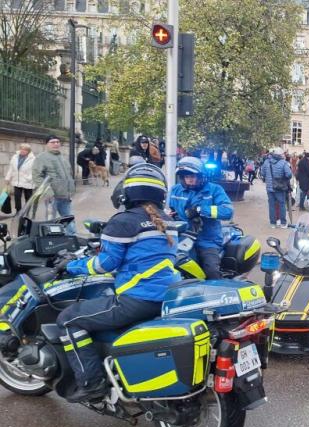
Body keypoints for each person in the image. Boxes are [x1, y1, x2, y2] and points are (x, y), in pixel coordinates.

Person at [56, 164, 180, 402]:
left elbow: (105, 264)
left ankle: (91, 383)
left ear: (128, 192)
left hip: (137, 299)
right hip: (167, 296)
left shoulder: (123, 221)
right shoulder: (167, 221)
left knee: (68, 320)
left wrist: (71, 265)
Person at [169, 157, 233, 279]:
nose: (189, 180)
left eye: (193, 176)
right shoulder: (175, 190)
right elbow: (168, 210)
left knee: (211, 271)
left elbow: (228, 211)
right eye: (186, 177)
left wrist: (200, 210)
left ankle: (217, 292)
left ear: (201, 176)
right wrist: (170, 215)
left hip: (207, 240)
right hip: (182, 237)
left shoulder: (214, 190)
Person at [32, 135, 76, 235]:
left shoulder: (62, 157)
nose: (56, 144)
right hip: (52, 196)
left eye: (57, 142)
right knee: (51, 221)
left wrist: (71, 189)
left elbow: (69, 174)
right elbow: (37, 177)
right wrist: (48, 191)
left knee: (69, 219)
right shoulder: (41, 158)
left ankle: (72, 237)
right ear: (47, 144)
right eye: (52, 142)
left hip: (65, 195)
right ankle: (49, 239)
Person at [261, 147, 292, 228]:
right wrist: (284, 179)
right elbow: (289, 174)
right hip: (280, 187)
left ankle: (273, 223)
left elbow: (262, 173)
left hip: (269, 187)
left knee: (271, 205)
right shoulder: (283, 163)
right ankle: (283, 223)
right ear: (280, 154)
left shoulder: (267, 162)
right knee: (282, 204)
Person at [5, 143, 36, 213]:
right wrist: (7, 178)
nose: (23, 151)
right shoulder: (15, 157)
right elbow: (11, 168)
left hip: (27, 182)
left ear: (28, 151)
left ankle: (27, 212)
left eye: (25, 150)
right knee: (17, 197)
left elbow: (35, 171)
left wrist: (29, 178)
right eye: (21, 149)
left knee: (28, 198)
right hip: (17, 181)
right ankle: (18, 212)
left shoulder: (33, 159)